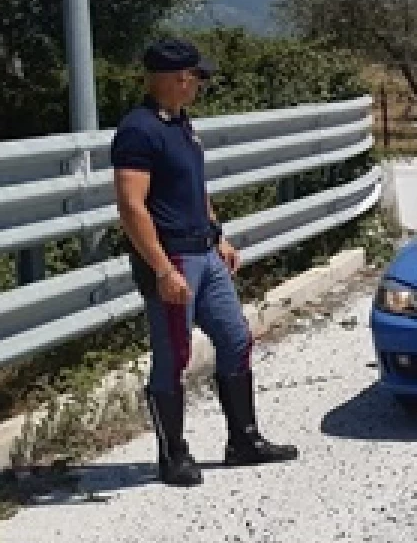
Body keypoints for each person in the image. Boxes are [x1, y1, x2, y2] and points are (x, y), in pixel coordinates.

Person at [112, 37, 298, 487]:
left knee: (236, 338)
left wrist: (218, 235)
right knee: (173, 355)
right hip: (172, 257)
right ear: (178, 78)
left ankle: (244, 440)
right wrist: (161, 269)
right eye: (195, 77)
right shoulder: (139, 130)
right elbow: (132, 207)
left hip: (204, 251)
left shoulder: (180, 123)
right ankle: (173, 455)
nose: (198, 84)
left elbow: (195, 187)